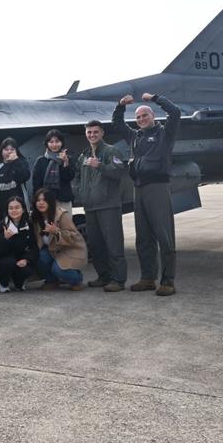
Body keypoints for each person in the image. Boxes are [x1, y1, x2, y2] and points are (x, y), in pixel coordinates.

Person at [113, 92, 181, 296]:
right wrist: (120, 105)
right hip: (139, 188)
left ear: (153, 116)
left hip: (158, 187)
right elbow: (117, 124)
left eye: (145, 115)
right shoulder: (135, 136)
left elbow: (175, 112)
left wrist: (155, 98)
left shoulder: (164, 133)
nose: (141, 119)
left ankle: (168, 281)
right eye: (138, 117)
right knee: (143, 237)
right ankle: (147, 278)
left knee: (164, 235)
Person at [74, 120, 128, 292]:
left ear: (102, 133)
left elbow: (120, 172)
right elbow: (78, 176)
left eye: (95, 132)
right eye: (89, 132)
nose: (92, 135)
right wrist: (78, 190)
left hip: (108, 206)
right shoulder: (84, 155)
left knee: (113, 244)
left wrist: (101, 166)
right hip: (90, 207)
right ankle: (103, 276)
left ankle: (118, 280)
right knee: (96, 245)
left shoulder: (111, 151)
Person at [30, 188, 87, 291]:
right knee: (38, 258)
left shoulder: (61, 215)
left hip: (69, 249)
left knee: (58, 269)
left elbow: (72, 236)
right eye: (38, 200)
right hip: (51, 250)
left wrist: (56, 231)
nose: (41, 203)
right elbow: (39, 242)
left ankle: (77, 279)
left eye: (44, 200)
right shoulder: (36, 218)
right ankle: (51, 281)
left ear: (50, 202)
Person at [0, 196, 37, 293]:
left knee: (27, 269)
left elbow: (33, 247)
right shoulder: (0, 226)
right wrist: (4, 238)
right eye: (11, 208)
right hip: (4, 261)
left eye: (17, 207)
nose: (14, 210)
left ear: (23, 209)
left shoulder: (28, 225)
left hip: (20, 259)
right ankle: (3, 282)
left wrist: (26, 259)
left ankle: (19, 282)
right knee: (8, 263)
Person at [0, 137, 31, 221]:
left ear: (16, 151)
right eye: (6, 149)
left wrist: (15, 161)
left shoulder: (22, 162)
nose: (9, 151)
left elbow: (24, 177)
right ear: (1, 151)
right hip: (1, 208)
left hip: (19, 206)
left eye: (12, 149)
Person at [32, 130, 75, 213]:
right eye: (51, 142)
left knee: (65, 225)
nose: (54, 145)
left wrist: (65, 162)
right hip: (45, 201)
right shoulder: (41, 161)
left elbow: (68, 178)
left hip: (63, 200)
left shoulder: (68, 158)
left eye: (57, 141)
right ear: (47, 143)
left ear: (62, 142)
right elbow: (36, 184)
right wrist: (36, 201)